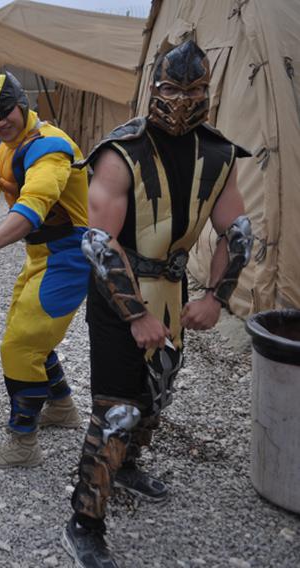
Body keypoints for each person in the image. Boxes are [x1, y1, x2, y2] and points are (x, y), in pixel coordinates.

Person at [62, 40, 252, 567]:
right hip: (118, 291)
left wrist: (217, 297)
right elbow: (99, 243)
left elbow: (236, 230)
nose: (183, 99)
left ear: (208, 90)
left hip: (172, 290)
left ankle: (124, 469)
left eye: (194, 89)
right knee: (118, 409)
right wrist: (137, 315)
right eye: (172, 88)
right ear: (154, 87)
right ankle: (84, 522)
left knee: (157, 393)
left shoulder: (218, 153)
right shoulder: (121, 152)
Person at [0, 72, 90, 468]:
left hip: (69, 257)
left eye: (5, 111)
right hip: (42, 256)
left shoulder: (50, 148)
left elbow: (33, 205)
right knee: (25, 334)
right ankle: (62, 409)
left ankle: (23, 445)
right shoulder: (13, 143)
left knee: (19, 345)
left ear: (22, 104)